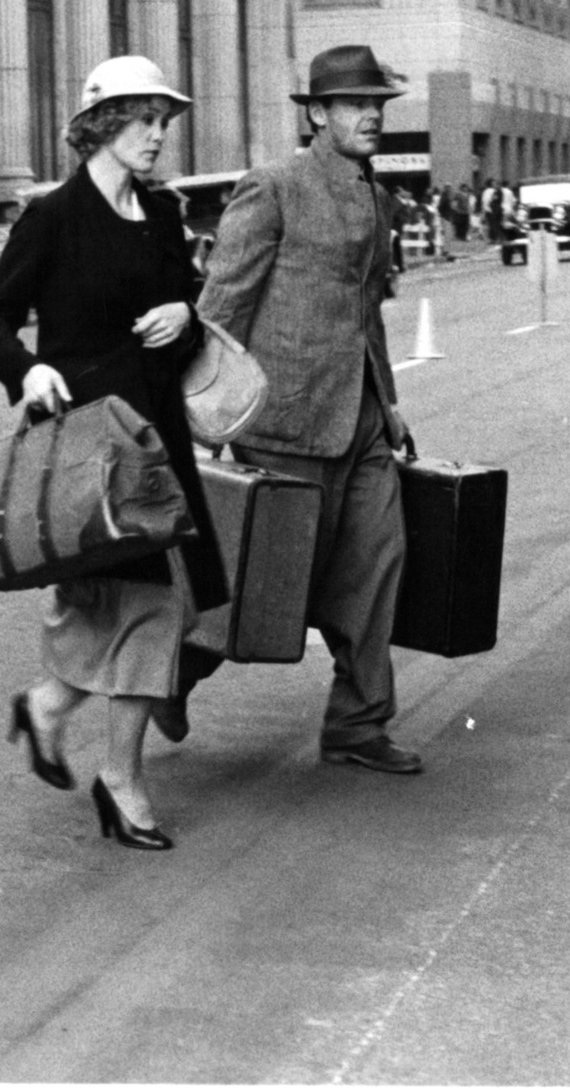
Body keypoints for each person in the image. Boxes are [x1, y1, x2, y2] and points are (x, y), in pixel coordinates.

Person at [0, 55, 229, 852]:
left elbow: (188, 292)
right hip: (88, 447)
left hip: (156, 440)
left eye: (163, 121)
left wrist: (182, 314)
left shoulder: (158, 214)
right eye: (145, 120)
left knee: (118, 607)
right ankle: (120, 779)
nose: (159, 136)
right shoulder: (52, 219)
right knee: (152, 606)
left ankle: (46, 709)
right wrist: (30, 368)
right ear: (104, 125)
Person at [187, 43, 423, 775]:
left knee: (378, 564)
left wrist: (389, 403)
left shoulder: (376, 195)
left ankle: (357, 723)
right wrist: (204, 421)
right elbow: (221, 309)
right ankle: (170, 675)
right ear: (317, 113)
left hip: (361, 421)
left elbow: (368, 314)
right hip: (285, 421)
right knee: (266, 589)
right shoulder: (274, 186)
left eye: (378, 105)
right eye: (356, 104)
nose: (371, 117)